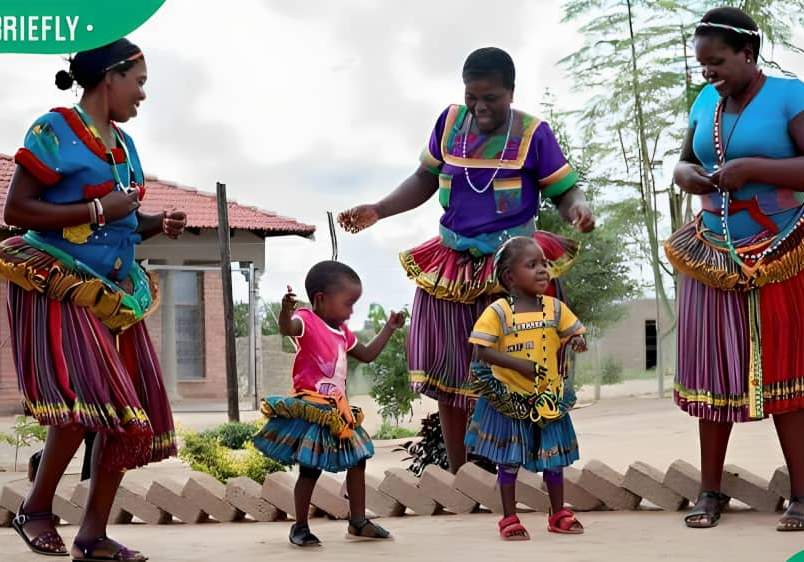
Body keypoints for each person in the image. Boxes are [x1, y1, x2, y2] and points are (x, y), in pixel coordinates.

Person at [338, 47, 594, 474]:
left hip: (512, 271)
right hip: (452, 266)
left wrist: (578, 210)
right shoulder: (450, 122)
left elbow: (564, 191)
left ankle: (527, 470)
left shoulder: (534, 134)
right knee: (453, 376)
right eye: (471, 96)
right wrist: (379, 209)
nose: (479, 107)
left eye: (490, 98)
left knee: (523, 369)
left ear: (511, 93)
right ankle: (461, 478)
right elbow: (424, 177)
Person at [665, 7, 804, 531]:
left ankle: (803, 495)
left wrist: (753, 169)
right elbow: (685, 162)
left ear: (748, 54)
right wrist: (692, 178)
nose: (708, 74)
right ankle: (710, 492)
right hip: (712, 252)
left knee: (783, 370)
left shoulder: (790, 96)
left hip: (779, 248)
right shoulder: (706, 101)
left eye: (718, 63)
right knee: (712, 370)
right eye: (703, 65)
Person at [0, 38, 186, 561]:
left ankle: (92, 536)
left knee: (125, 413)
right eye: (139, 82)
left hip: (114, 295)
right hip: (59, 286)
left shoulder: (123, 145)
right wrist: (97, 211)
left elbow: (124, 218)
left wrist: (155, 224)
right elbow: (18, 209)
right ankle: (36, 510)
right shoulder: (52, 130)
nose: (143, 95)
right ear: (111, 76)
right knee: (86, 404)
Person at [252, 261, 404, 547]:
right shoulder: (306, 320)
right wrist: (285, 311)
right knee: (310, 468)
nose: (351, 311)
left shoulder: (343, 332)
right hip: (313, 410)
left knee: (359, 459)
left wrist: (389, 328)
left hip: (339, 411)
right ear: (321, 299)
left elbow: (369, 354)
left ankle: (358, 521)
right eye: (348, 303)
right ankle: (299, 527)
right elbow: (288, 328)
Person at [465, 236, 587, 540]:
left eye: (544, 264)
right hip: (510, 400)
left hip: (548, 399)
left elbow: (573, 333)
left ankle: (558, 513)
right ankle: (509, 517)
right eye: (532, 265)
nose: (543, 270)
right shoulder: (499, 313)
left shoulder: (554, 309)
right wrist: (518, 365)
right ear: (510, 277)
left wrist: (576, 340)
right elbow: (481, 351)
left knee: (554, 460)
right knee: (509, 461)